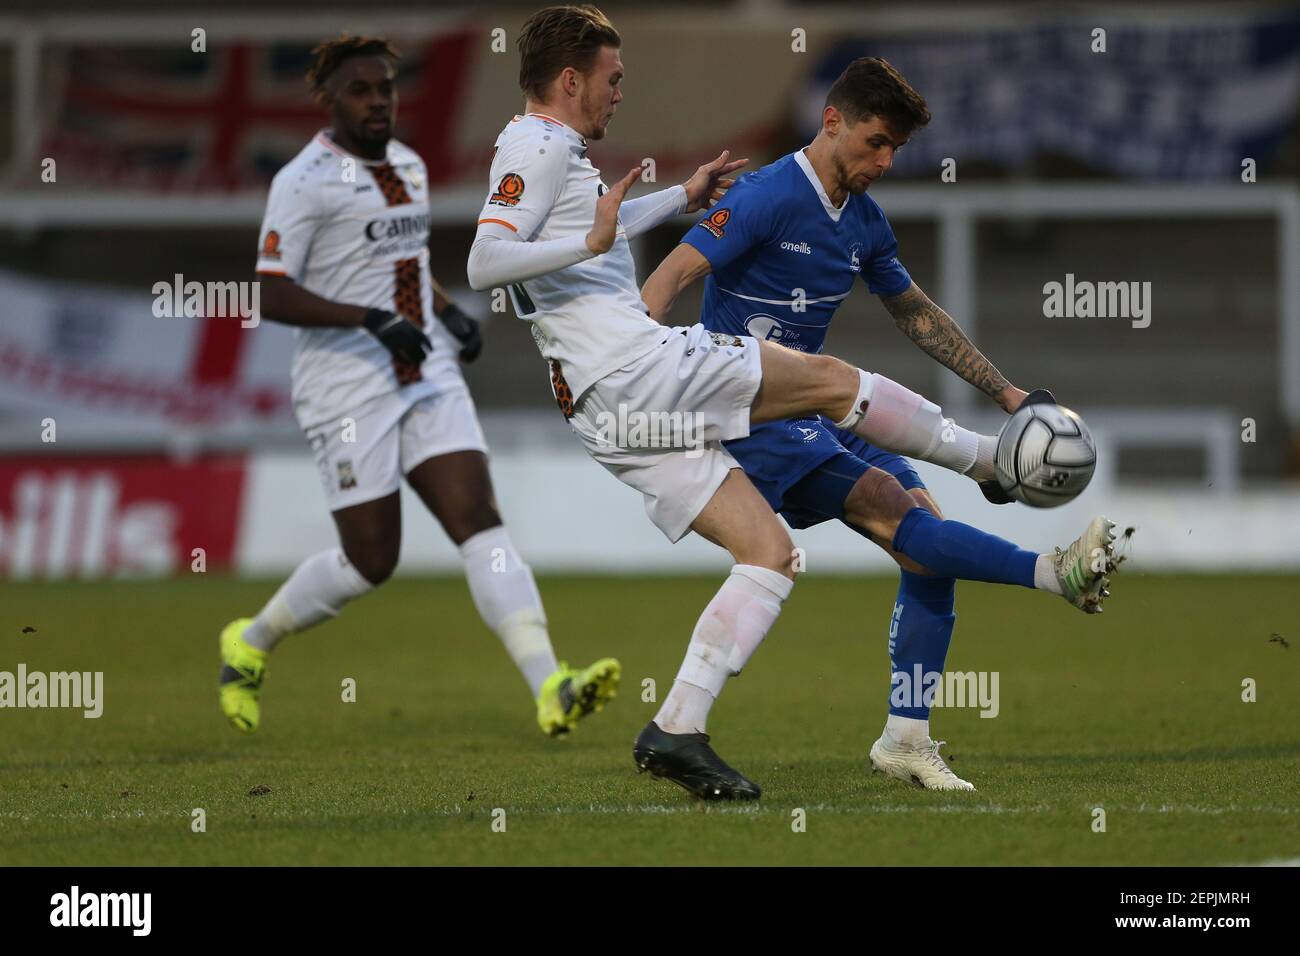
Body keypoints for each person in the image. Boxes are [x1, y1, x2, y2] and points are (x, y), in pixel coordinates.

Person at [466, 7, 1114, 799]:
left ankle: (676, 730)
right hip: (642, 370)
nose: (620, 93)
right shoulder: (536, 144)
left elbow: (579, 235)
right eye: (613, 78)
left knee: (770, 554)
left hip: (607, 406)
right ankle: (998, 470)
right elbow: (486, 259)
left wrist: (673, 199)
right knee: (838, 385)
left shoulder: (562, 153)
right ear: (571, 79)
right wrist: (597, 245)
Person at [640, 56, 1116, 791]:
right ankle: (1054, 572)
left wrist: (1007, 393)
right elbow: (671, 275)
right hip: (752, 414)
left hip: (819, 404)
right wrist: (640, 358)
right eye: (876, 142)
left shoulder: (863, 222)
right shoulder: (766, 196)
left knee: (927, 540)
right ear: (832, 121)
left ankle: (905, 738)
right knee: (902, 517)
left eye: (895, 149)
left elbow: (916, 313)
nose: (886, 161)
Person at [219, 34, 619, 740]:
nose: (378, 102)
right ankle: (250, 642)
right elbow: (270, 295)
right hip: (344, 387)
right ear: (330, 99)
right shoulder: (303, 181)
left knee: (479, 521)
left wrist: (444, 311)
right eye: (360, 90)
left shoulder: (406, 163)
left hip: (423, 370)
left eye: (385, 88)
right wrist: (370, 320)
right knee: (371, 559)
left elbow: (401, 258)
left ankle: (550, 684)